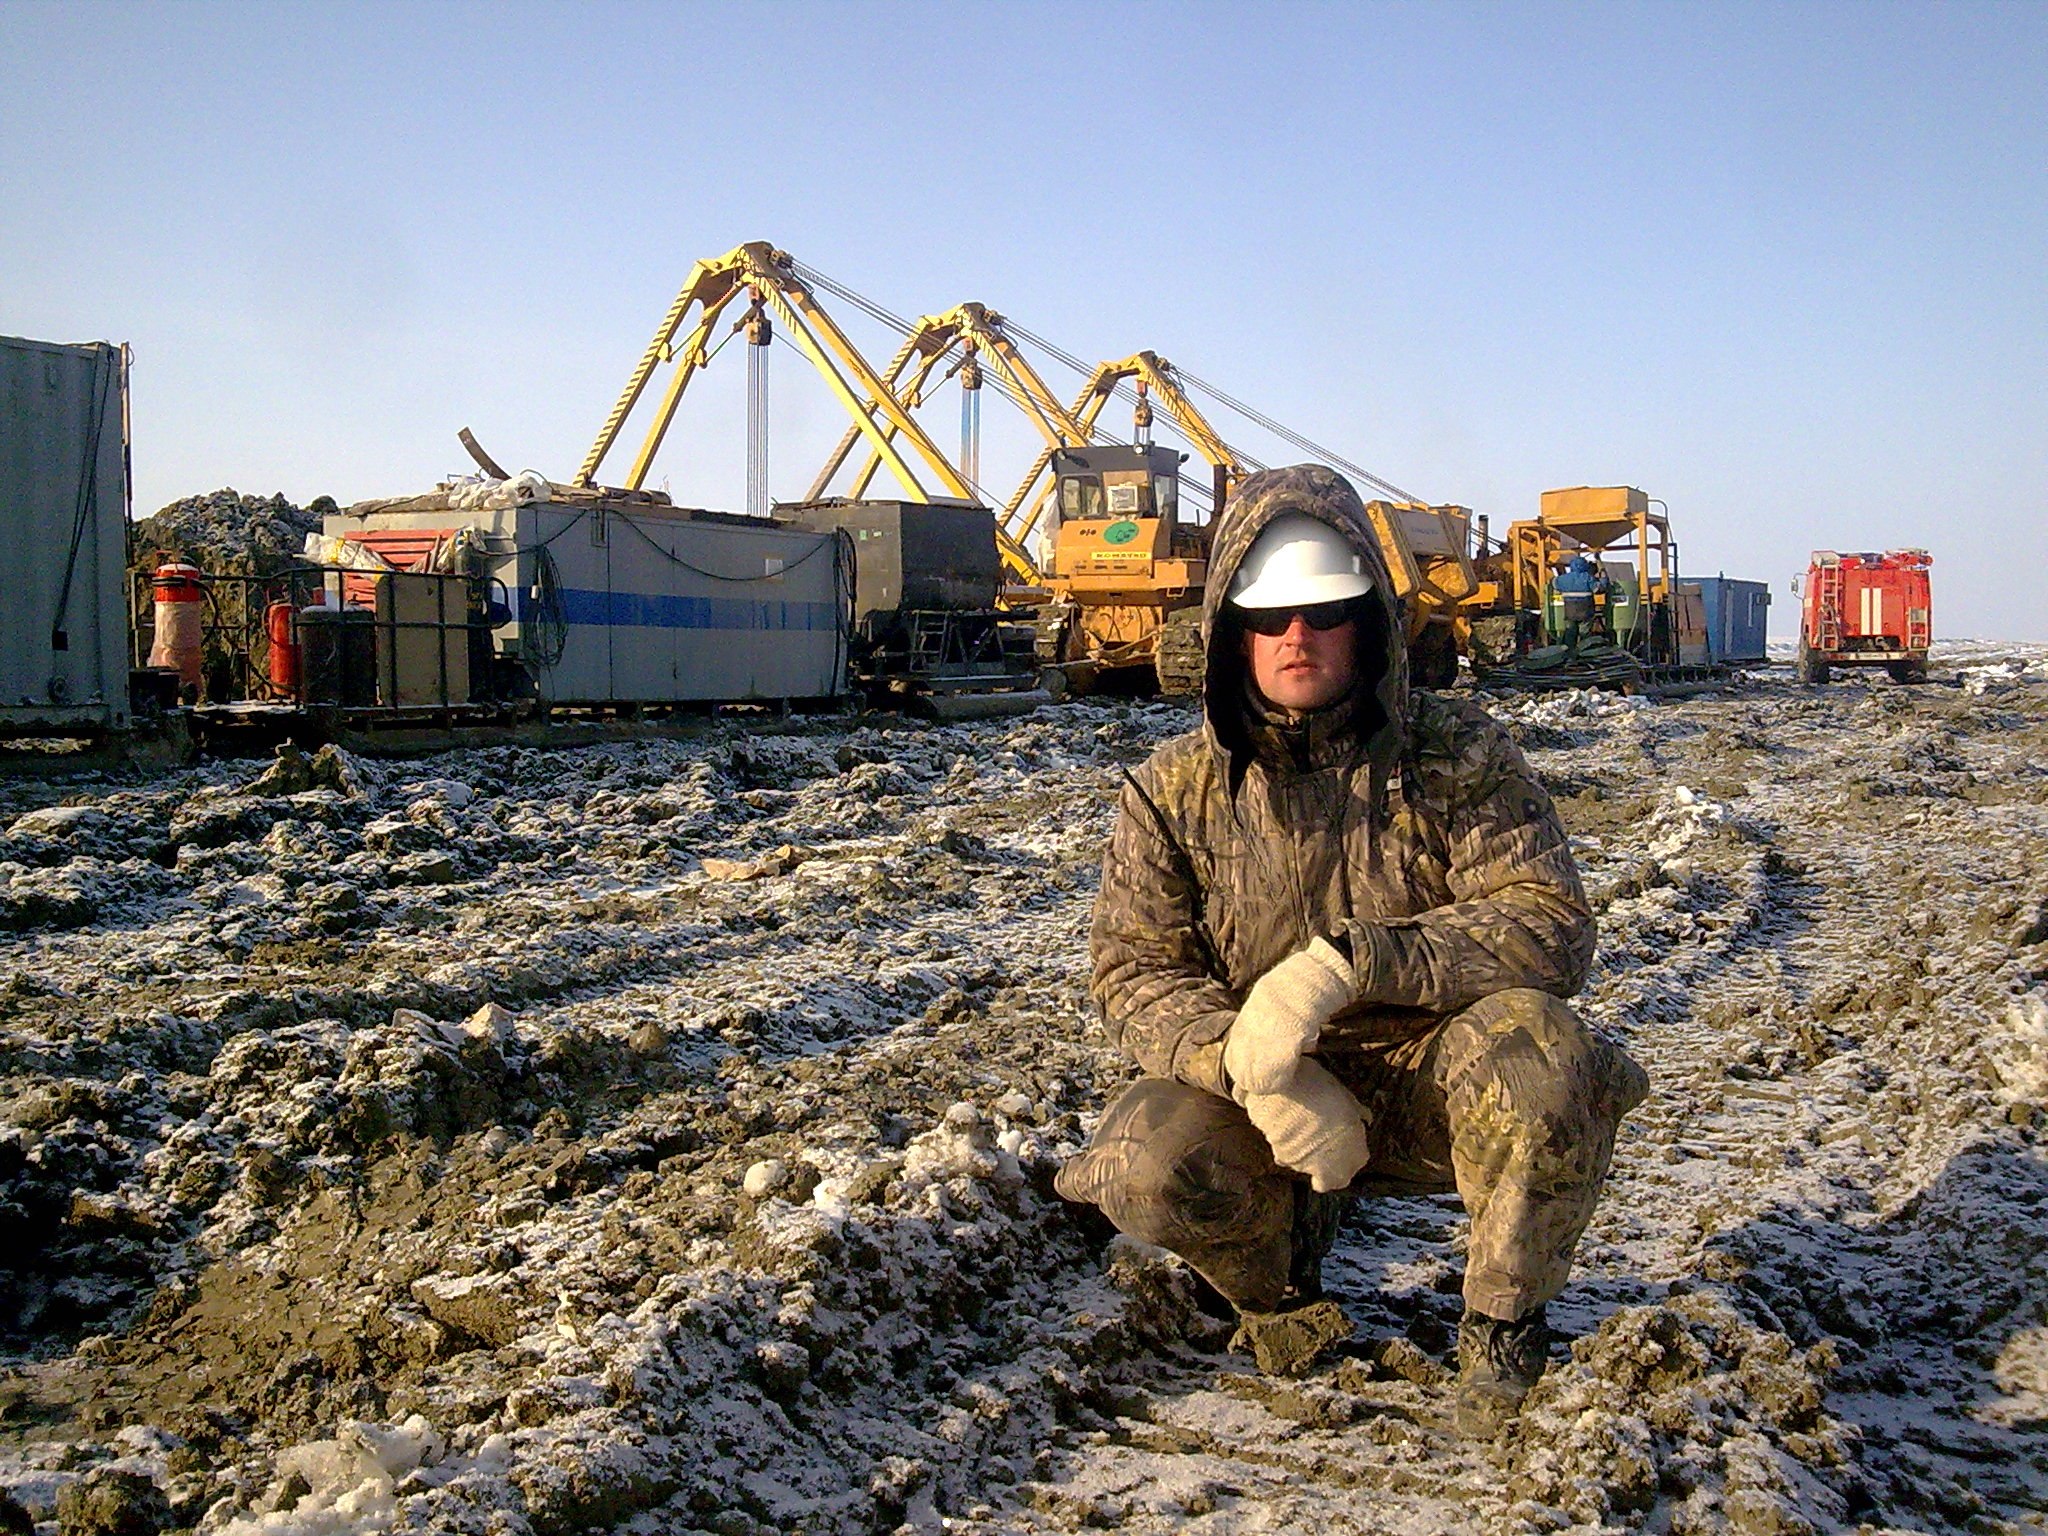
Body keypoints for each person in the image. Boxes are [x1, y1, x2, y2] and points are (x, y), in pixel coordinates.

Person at [1054, 464, 1649, 1436]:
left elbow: (1547, 922)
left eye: (1325, 611)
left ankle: (1502, 1324)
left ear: (1368, 621)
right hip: (1271, 1106)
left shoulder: (1454, 754)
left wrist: (1347, 964)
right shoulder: (1171, 789)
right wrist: (1249, 1068)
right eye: (1269, 615)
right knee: (1139, 1163)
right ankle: (1276, 1292)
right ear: (1231, 629)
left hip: (1430, 1080)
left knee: (1544, 1059)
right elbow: (1133, 971)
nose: (1296, 635)